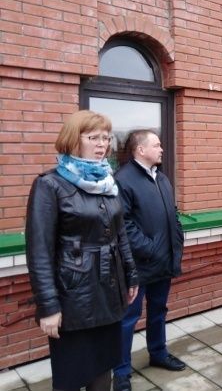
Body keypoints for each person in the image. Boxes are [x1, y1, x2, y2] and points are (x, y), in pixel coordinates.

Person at [25, 110, 139, 391]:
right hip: (74, 296)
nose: (102, 144)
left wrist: (131, 274)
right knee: (71, 376)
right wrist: (48, 305)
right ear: (73, 140)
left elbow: (120, 233)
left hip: (109, 291)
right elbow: (39, 251)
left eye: (106, 138)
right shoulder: (49, 184)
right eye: (93, 138)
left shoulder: (107, 182)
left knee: (103, 368)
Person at [112, 129, 185, 391]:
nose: (162, 149)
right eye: (157, 145)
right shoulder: (123, 179)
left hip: (162, 261)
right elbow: (123, 224)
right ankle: (121, 372)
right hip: (137, 265)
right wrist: (151, 248)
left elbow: (172, 213)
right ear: (140, 150)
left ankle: (158, 353)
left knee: (158, 311)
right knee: (128, 319)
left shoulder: (161, 178)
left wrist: (177, 238)